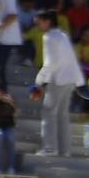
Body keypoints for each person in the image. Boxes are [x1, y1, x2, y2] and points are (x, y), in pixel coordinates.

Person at [31, 9, 83, 158]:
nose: (38, 25)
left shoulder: (49, 37)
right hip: (71, 79)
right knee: (62, 115)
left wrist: (39, 81)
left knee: (49, 113)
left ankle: (50, 148)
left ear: (47, 21)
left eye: (39, 22)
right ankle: (64, 150)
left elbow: (51, 62)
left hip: (58, 79)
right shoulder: (62, 35)